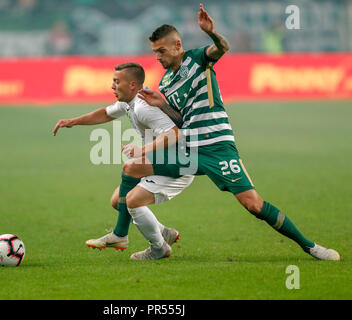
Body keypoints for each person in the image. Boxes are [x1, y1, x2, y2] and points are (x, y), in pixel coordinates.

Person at [118, 4, 340, 261]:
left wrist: (212, 33)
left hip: (217, 147)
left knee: (253, 204)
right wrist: (162, 104)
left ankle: (310, 246)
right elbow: (181, 119)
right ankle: (145, 238)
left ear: (177, 45)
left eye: (161, 51)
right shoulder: (166, 81)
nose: (157, 56)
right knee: (132, 168)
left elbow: (222, 48)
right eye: (155, 51)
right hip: (188, 149)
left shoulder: (198, 58)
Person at [52, 62, 194, 258]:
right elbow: (105, 113)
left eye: (117, 81)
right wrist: (73, 122)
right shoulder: (130, 101)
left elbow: (175, 133)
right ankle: (163, 232)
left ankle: (155, 247)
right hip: (160, 161)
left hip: (179, 164)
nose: (112, 86)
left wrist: (142, 150)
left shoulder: (144, 107)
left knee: (131, 189)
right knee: (117, 201)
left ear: (133, 85)